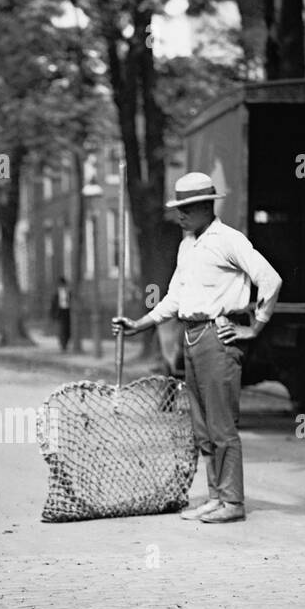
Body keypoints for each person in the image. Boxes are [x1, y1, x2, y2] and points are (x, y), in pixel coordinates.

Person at [112, 171, 282, 524]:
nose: (181, 215)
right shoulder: (187, 245)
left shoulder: (229, 240)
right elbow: (175, 297)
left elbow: (270, 279)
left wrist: (255, 329)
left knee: (222, 426)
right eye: (179, 208)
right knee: (202, 427)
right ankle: (216, 497)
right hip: (190, 337)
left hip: (218, 338)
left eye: (188, 208)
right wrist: (139, 325)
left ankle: (233, 502)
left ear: (207, 206)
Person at [51, 276, 73, 351]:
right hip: (60, 314)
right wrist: (53, 315)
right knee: (61, 330)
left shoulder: (68, 293)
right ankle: (63, 345)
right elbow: (53, 305)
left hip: (67, 314)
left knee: (67, 330)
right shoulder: (56, 294)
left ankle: (65, 344)